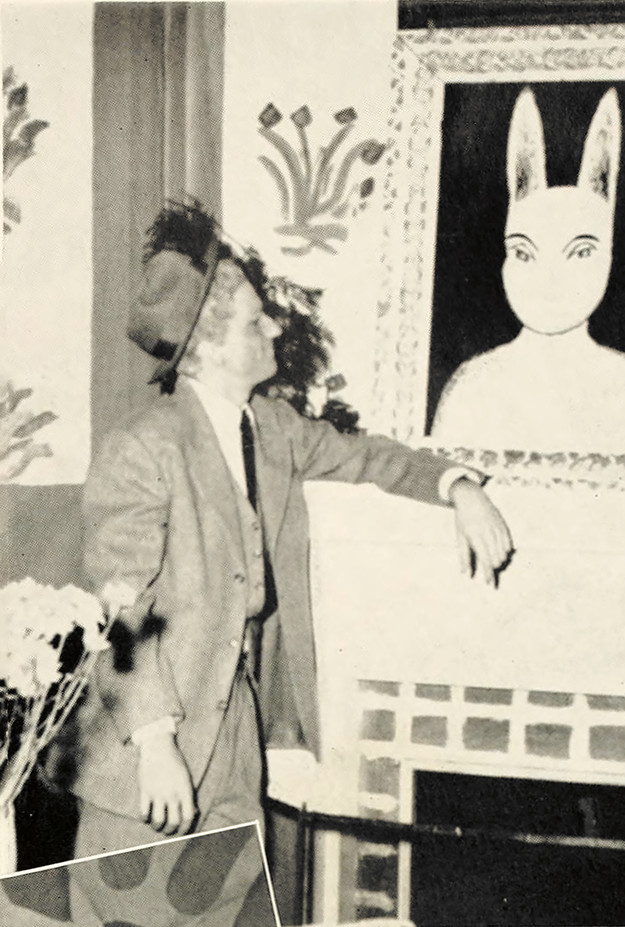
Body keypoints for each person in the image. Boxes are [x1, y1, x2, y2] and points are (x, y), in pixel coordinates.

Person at [48, 204, 512, 881]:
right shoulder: (142, 447)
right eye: (254, 321)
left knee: (230, 905)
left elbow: (368, 456)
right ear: (208, 347)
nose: (273, 326)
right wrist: (154, 741)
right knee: (123, 909)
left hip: (235, 726)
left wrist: (459, 487)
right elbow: (120, 607)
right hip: (142, 743)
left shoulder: (272, 427)